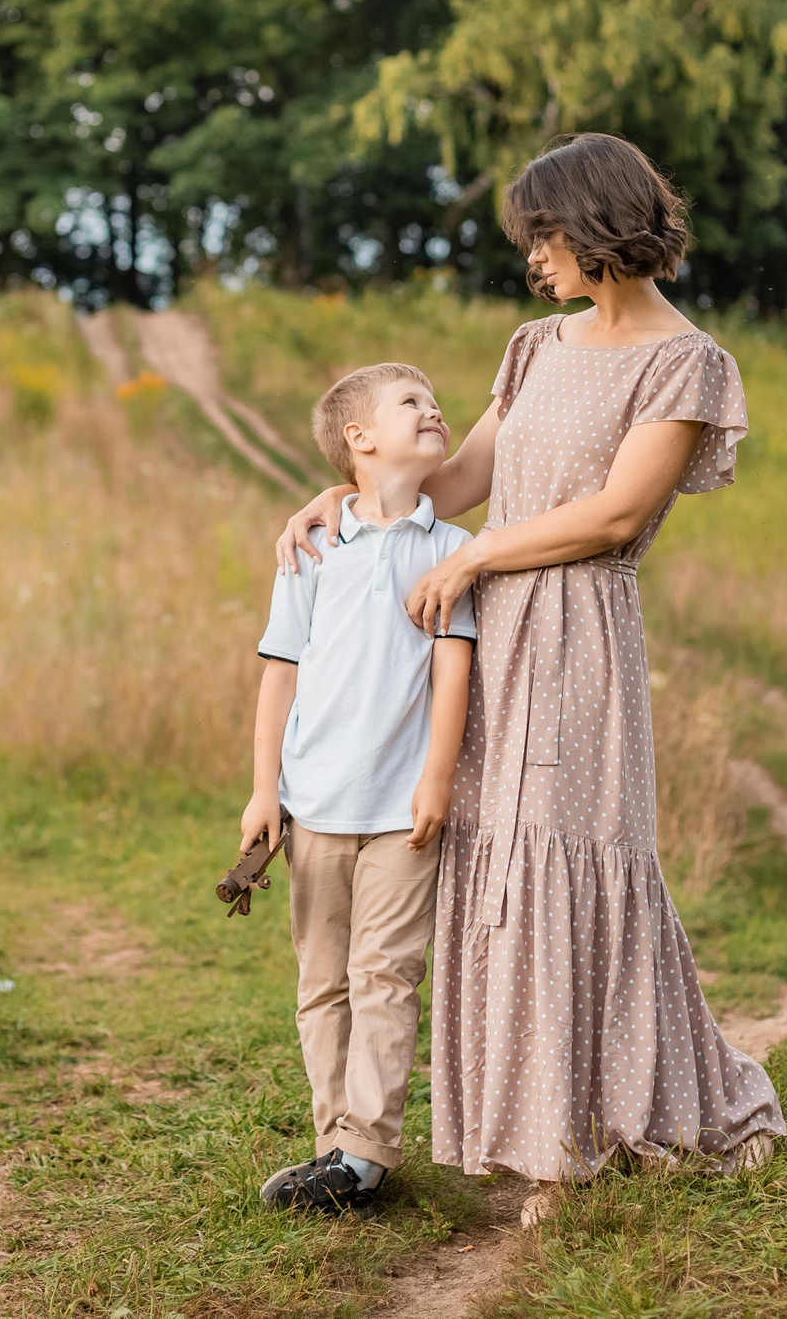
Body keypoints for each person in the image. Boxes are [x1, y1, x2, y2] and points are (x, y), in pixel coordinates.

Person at [275, 132, 782, 1224]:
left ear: (598, 224)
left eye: (544, 236)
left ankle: (583, 1136)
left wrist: (470, 557)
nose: (534, 260)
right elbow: (453, 480)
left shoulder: (684, 362)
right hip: (483, 635)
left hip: (579, 631)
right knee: (486, 871)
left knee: (567, 858)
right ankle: (522, 1127)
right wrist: (343, 500)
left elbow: (614, 515)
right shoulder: (533, 346)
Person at [243, 360, 478, 1214]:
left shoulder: (453, 551)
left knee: (387, 972)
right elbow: (280, 674)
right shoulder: (312, 546)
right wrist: (265, 790)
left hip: (399, 811)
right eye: (411, 401)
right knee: (323, 980)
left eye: (434, 397)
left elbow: (452, 675)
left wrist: (437, 780)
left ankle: (366, 1152)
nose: (434, 407)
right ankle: (333, 1141)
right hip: (316, 807)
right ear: (359, 438)